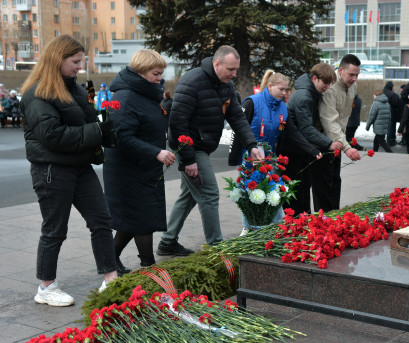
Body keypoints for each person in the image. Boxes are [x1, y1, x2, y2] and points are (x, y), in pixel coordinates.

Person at [20, 35, 118, 306]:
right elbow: (53, 136)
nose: (80, 66)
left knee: (101, 220)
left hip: (79, 166)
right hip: (51, 170)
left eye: (81, 60)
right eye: (75, 61)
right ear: (58, 59)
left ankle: (110, 279)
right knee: (55, 230)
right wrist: (97, 130)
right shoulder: (37, 93)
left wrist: (106, 128)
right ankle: (46, 287)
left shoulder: (73, 88)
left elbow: (88, 122)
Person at [159, 45, 263, 253]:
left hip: (202, 147)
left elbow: (237, 117)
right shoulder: (192, 82)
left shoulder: (226, 85)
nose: (234, 74)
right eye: (231, 69)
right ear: (217, 64)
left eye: (236, 70)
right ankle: (217, 247)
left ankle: (167, 242)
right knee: (209, 193)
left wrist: (251, 145)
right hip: (190, 147)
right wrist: (188, 160)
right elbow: (178, 124)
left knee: (188, 196)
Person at [103, 49, 173, 274]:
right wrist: (156, 152)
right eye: (155, 73)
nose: (159, 78)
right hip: (128, 170)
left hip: (143, 168)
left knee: (133, 219)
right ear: (141, 71)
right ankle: (149, 267)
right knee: (142, 218)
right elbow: (121, 137)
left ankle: (111, 259)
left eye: (161, 73)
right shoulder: (125, 97)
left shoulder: (144, 93)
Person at [229, 70, 321, 235]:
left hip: (269, 157)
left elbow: (291, 132)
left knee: (273, 192)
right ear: (270, 86)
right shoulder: (251, 102)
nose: (284, 93)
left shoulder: (283, 109)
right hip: (250, 156)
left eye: (286, 90)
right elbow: (239, 130)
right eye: (281, 89)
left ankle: (277, 226)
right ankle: (248, 228)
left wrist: (311, 149)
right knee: (248, 192)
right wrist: (235, 157)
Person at [278, 62, 340, 215]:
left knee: (303, 189)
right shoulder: (305, 96)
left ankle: (301, 220)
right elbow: (306, 129)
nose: (327, 87)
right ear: (314, 78)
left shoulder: (309, 92)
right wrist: (329, 143)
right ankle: (295, 224)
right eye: (325, 83)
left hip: (299, 148)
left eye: (330, 83)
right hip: (292, 149)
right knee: (298, 192)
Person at [317, 54, 362, 212]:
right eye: (351, 74)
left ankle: (334, 215)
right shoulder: (330, 87)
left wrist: (343, 142)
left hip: (338, 140)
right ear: (341, 70)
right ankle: (323, 219)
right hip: (323, 141)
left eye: (357, 75)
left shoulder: (352, 86)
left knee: (335, 180)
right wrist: (347, 147)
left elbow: (343, 118)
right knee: (323, 183)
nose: (354, 79)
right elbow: (329, 122)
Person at [383, 81, 401, 146]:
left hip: (382, 114)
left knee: (383, 128)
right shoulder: (393, 95)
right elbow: (396, 104)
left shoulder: (382, 93)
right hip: (392, 113)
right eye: (393, 86)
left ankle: (381, 141)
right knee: (391, 127)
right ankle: (390, 140)